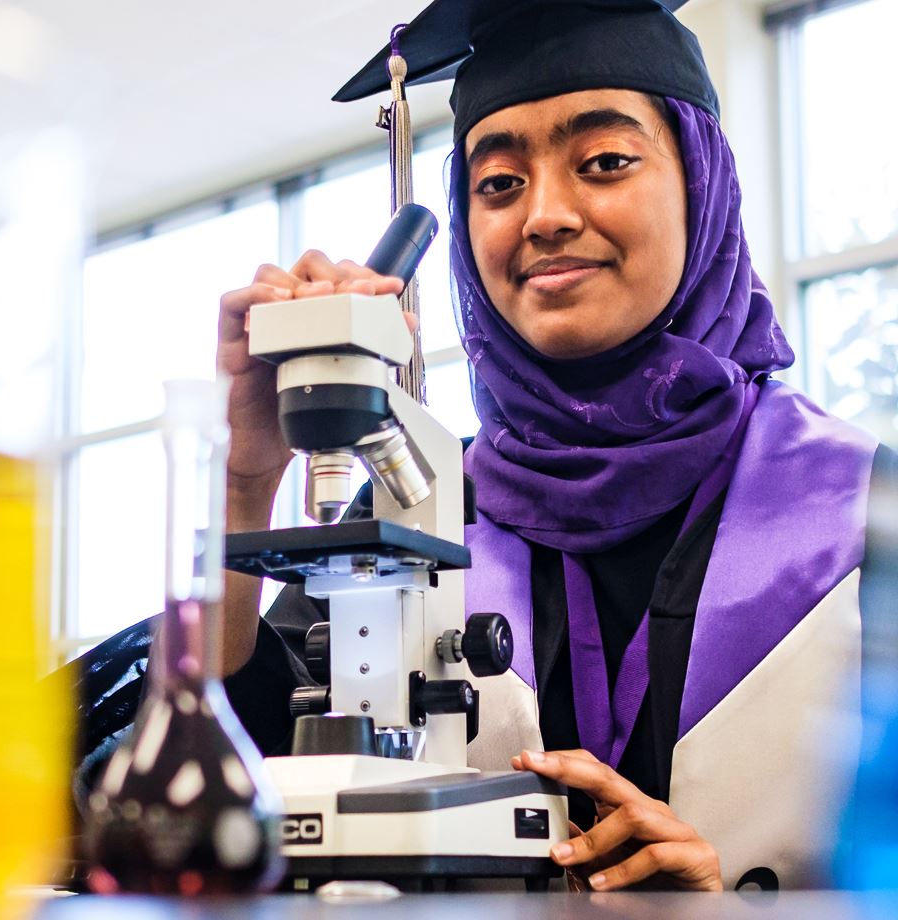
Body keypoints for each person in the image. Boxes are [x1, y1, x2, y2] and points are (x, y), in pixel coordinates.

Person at [70, 0, 895, 893]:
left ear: (704, 188)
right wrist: (246, 477)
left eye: (605, 162)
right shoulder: (407, 515)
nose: (543, 215)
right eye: (498, 183)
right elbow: (213, 781)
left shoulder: (863, 515)